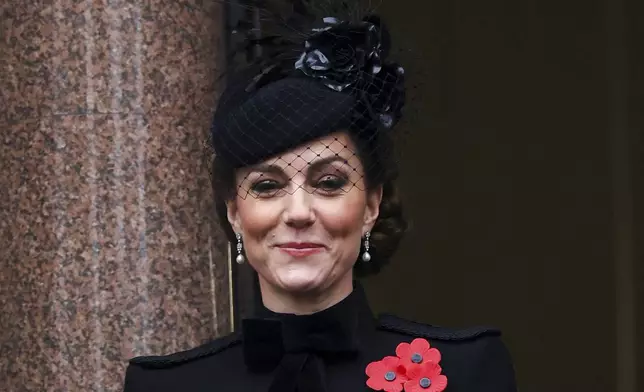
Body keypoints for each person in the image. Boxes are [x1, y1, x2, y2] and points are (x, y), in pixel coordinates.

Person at [122, 6, 517, 392]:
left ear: (372, 206)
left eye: (328, 182)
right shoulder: (166, 385)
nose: (298, 212)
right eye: (266, 186)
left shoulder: (464, 371)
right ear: (234, 212)